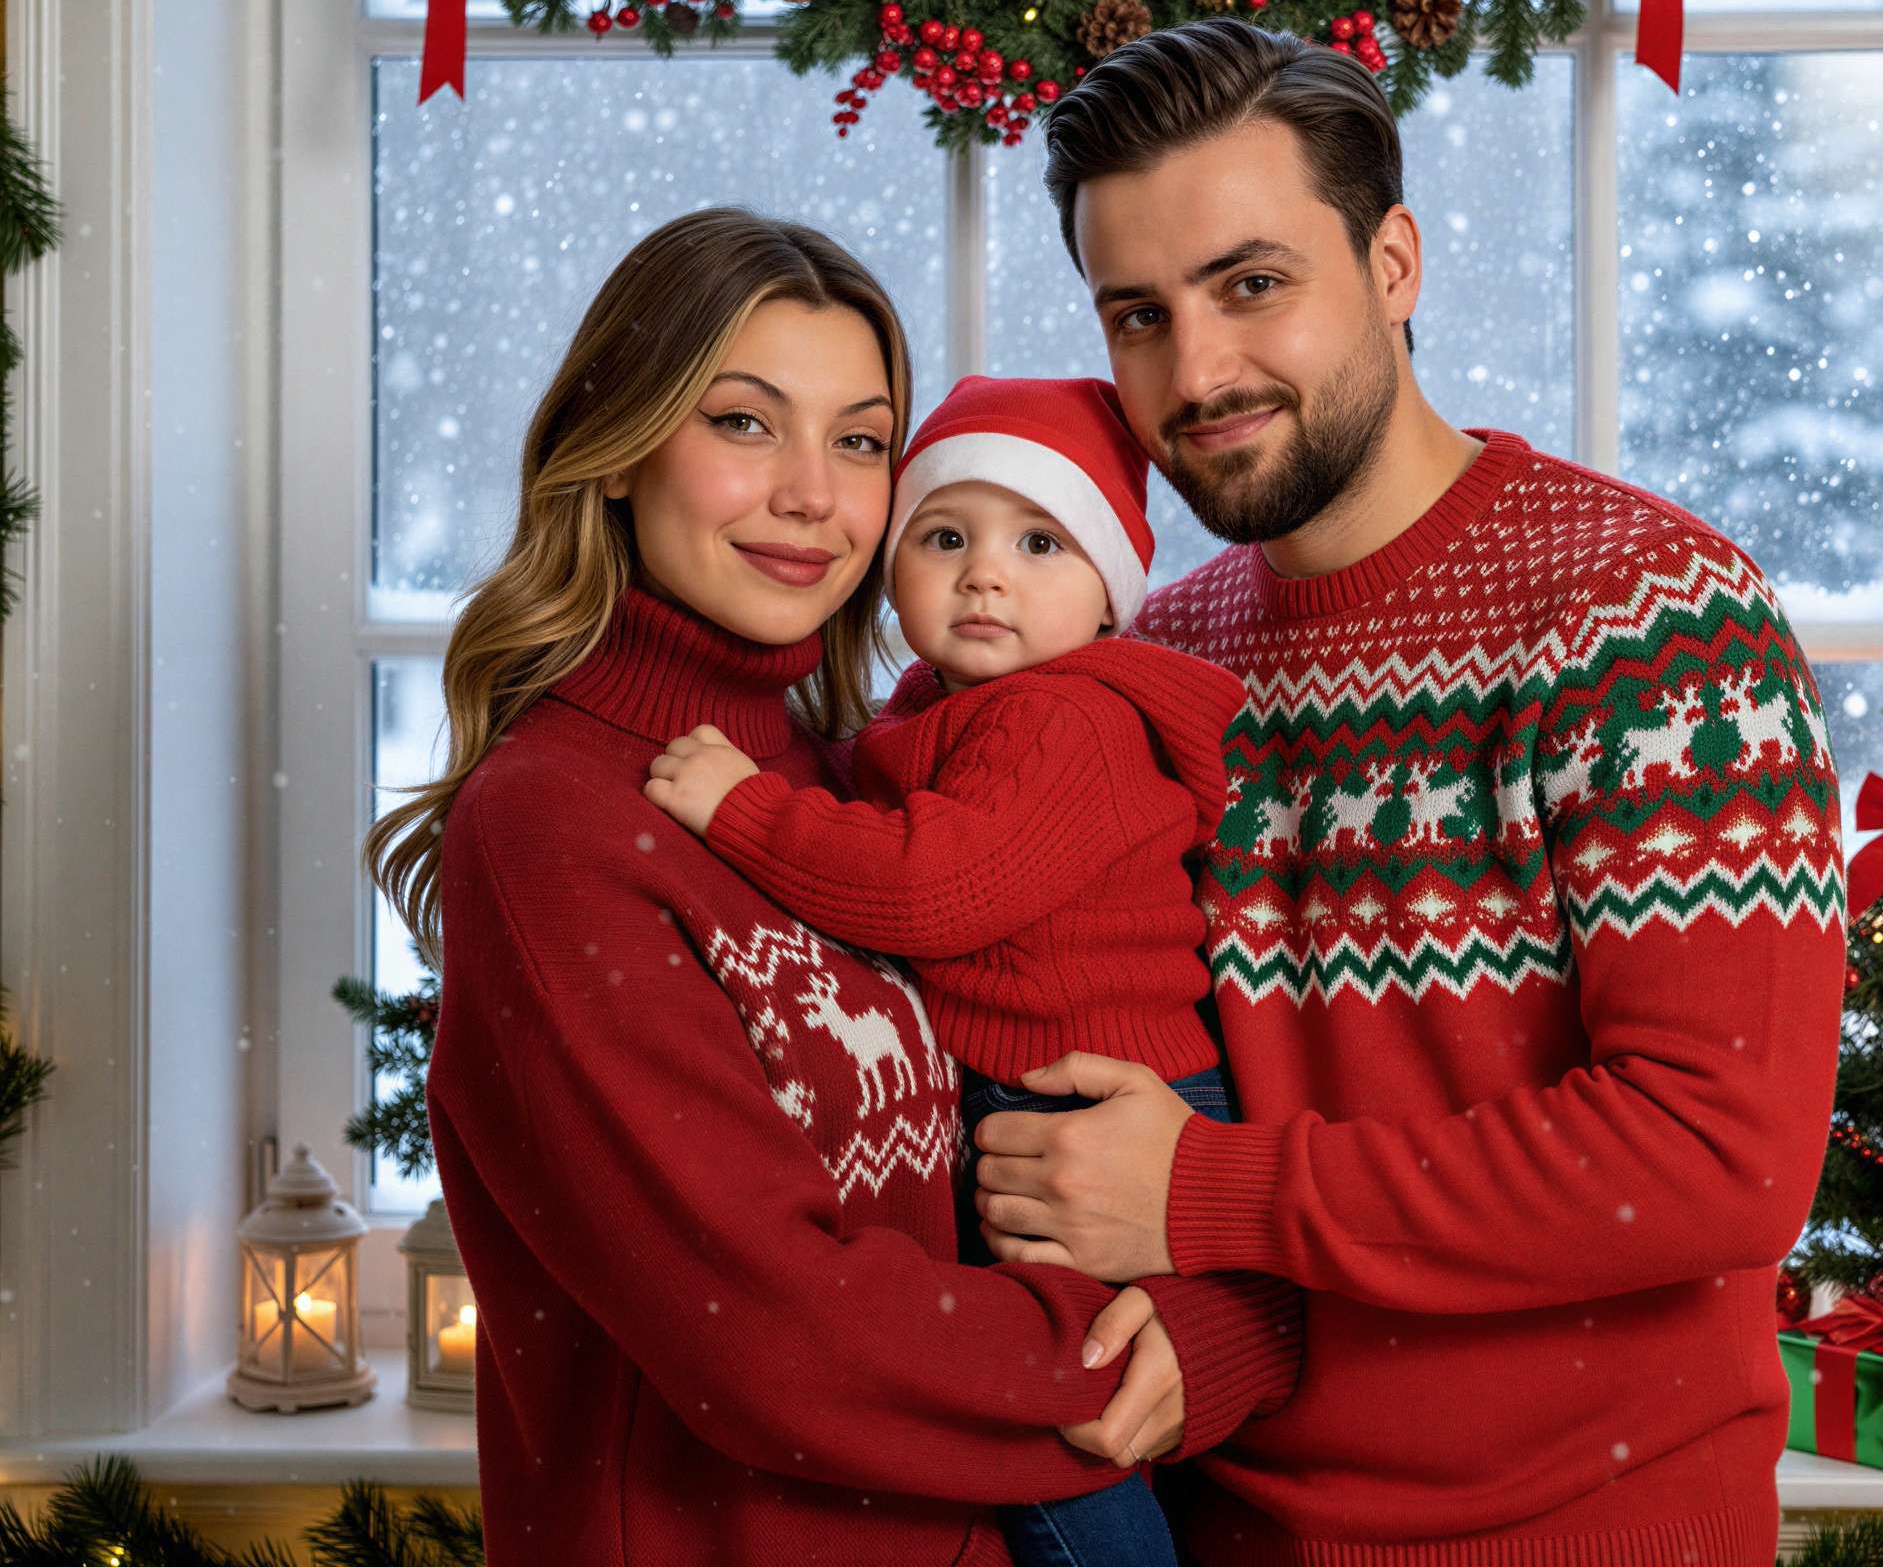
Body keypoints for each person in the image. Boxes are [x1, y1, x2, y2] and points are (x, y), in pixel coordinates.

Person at [970, 20, 1847, 1565]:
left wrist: (1213, 1195)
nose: (1199, 370)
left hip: (1595, 1535)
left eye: (1253, 285)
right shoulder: (1161, 662)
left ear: (1393, 264)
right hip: (1218, 1523)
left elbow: (1717, 1162)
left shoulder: (1646, 617)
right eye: (1138, 316)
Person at [367, 209, 1299, 1567]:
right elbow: (775, 1338)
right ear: (620, 450)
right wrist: (1164, 1358)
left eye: (860, 441)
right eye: (744, 423)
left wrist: (1227, 1310)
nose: (815, 494)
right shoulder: (558, 825)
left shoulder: (838, 778)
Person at [644, 374, 1253, 1567]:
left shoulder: (1062, 717)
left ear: (1109, 594)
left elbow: (935, 889)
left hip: (1091, 1108)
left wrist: (745, 812)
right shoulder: (936, 707)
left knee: (1057, 1415)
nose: (985, 572)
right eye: (944, 536)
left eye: (1039, 541)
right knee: (1068, 1400)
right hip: (1045, 1095)